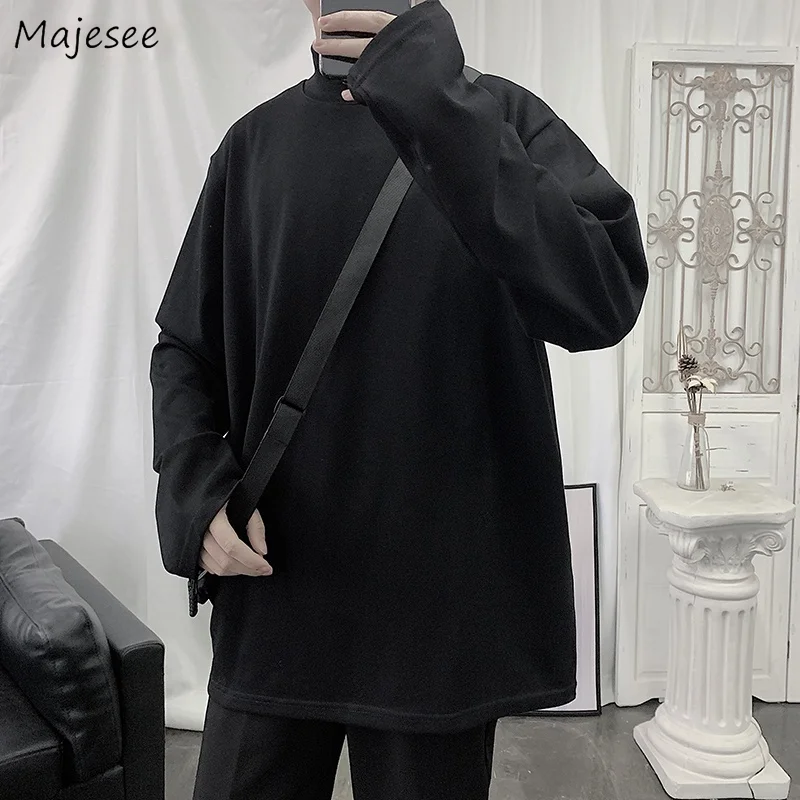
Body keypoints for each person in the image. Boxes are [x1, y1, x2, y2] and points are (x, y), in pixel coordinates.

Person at [150, 0, 649, 797]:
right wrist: (195, 495)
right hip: (273, 588)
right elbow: (185, 346)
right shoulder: (254, 145)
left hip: (439, 620)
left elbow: (603, 299)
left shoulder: (501, 119)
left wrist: (439, 106)